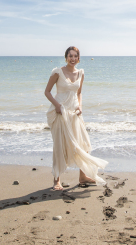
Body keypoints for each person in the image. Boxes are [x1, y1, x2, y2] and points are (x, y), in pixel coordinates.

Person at [44, 46, 107, 191]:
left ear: (79, 58)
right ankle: (57, 180)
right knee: (60, 145)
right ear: (66, 57)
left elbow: (79, 93)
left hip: (75, 112)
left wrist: (80, 106)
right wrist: (57, 105)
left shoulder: (80, 73)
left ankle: (83, 176)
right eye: (70, 56)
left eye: (75, 56)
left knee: (83, 144)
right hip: (60, 112)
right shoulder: (57, 72)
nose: (73, 59)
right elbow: (47, 92)